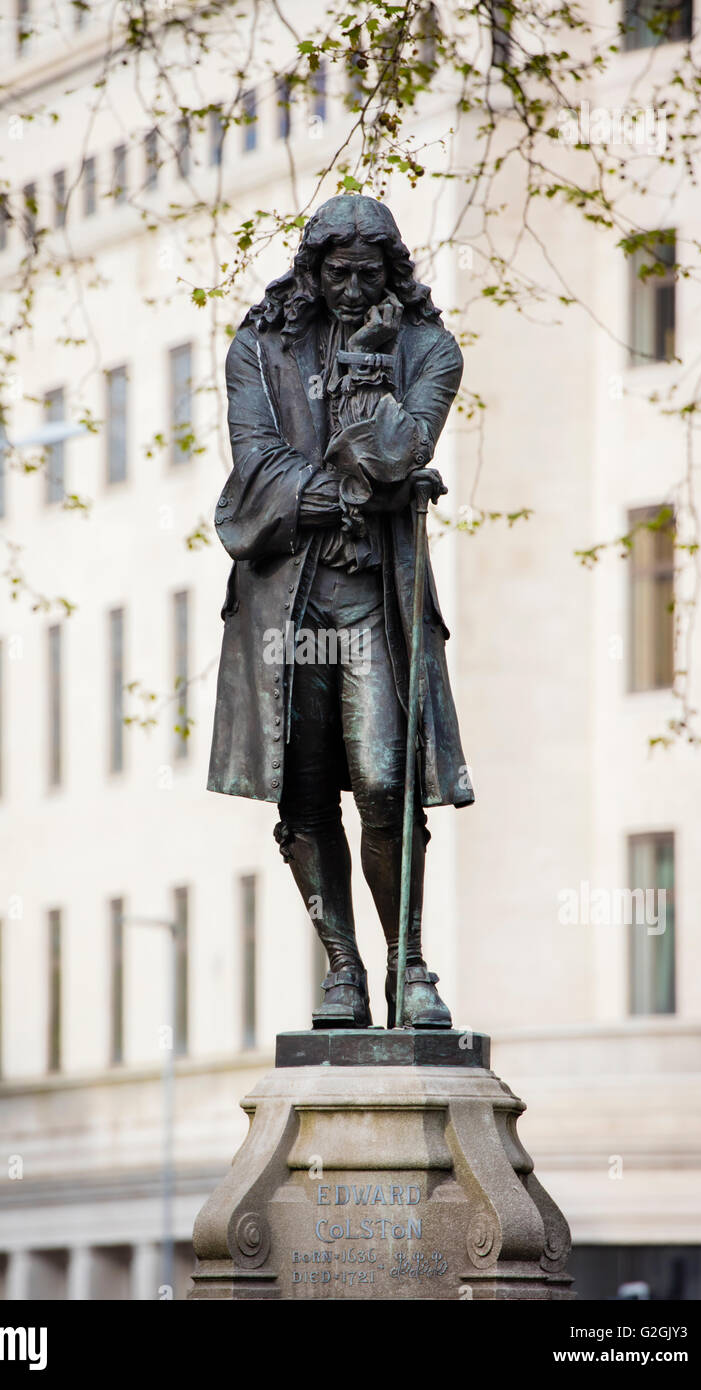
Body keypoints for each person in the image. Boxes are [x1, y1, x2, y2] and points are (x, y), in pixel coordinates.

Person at [208, 195, 474, 1029]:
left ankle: (411, 967)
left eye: (369, 274)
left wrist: (367, 366)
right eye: (337, 273)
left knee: (388, 782)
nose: (353, 289)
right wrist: (347, 490)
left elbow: (397, 456)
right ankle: (344, 970)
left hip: (373, 597)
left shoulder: (430, 351)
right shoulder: (257, 348)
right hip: (284, 602)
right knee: (305, 790)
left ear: (392, 273)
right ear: (311, 270)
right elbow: (254, 469)